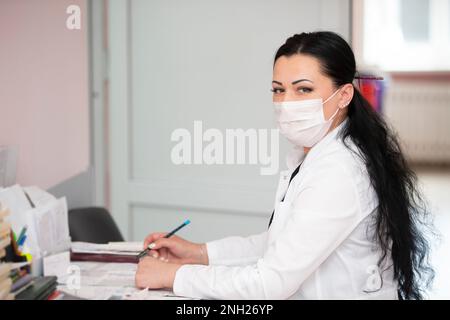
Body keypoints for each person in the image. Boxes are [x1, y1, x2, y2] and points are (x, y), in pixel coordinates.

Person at [135, 31, 434, 299]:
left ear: (343, 95)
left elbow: (271, 283)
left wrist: (174, 276)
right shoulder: (314, 154)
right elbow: (282, 244)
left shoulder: (339, 172)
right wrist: (198, 253)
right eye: (278, 90)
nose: (286, 102)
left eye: (303, 89)